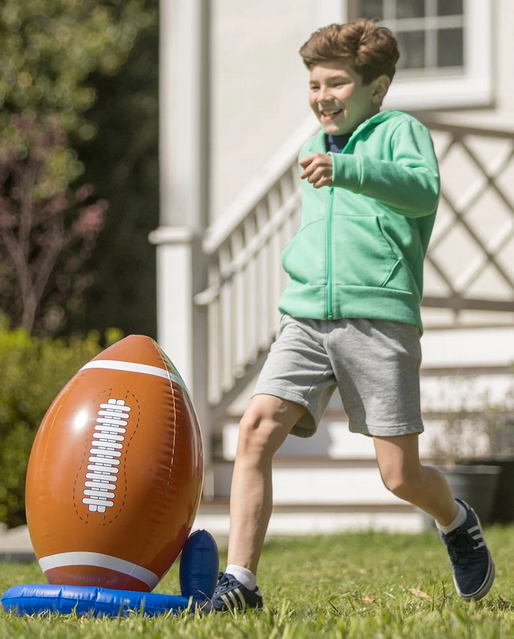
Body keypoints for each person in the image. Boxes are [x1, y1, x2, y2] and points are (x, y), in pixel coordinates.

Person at [211, 19, 494, 612]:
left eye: (335, 83)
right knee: (257, 429)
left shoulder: (400, 131)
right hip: (308, 316)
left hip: (379, 317)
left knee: (399, 476)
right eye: (314, 84)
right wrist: (300, 269)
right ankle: (240, 582)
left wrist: (351, 170)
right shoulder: (315, 145)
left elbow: (422, 190)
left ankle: (456, 520)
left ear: (377, 88)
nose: (321, 96)